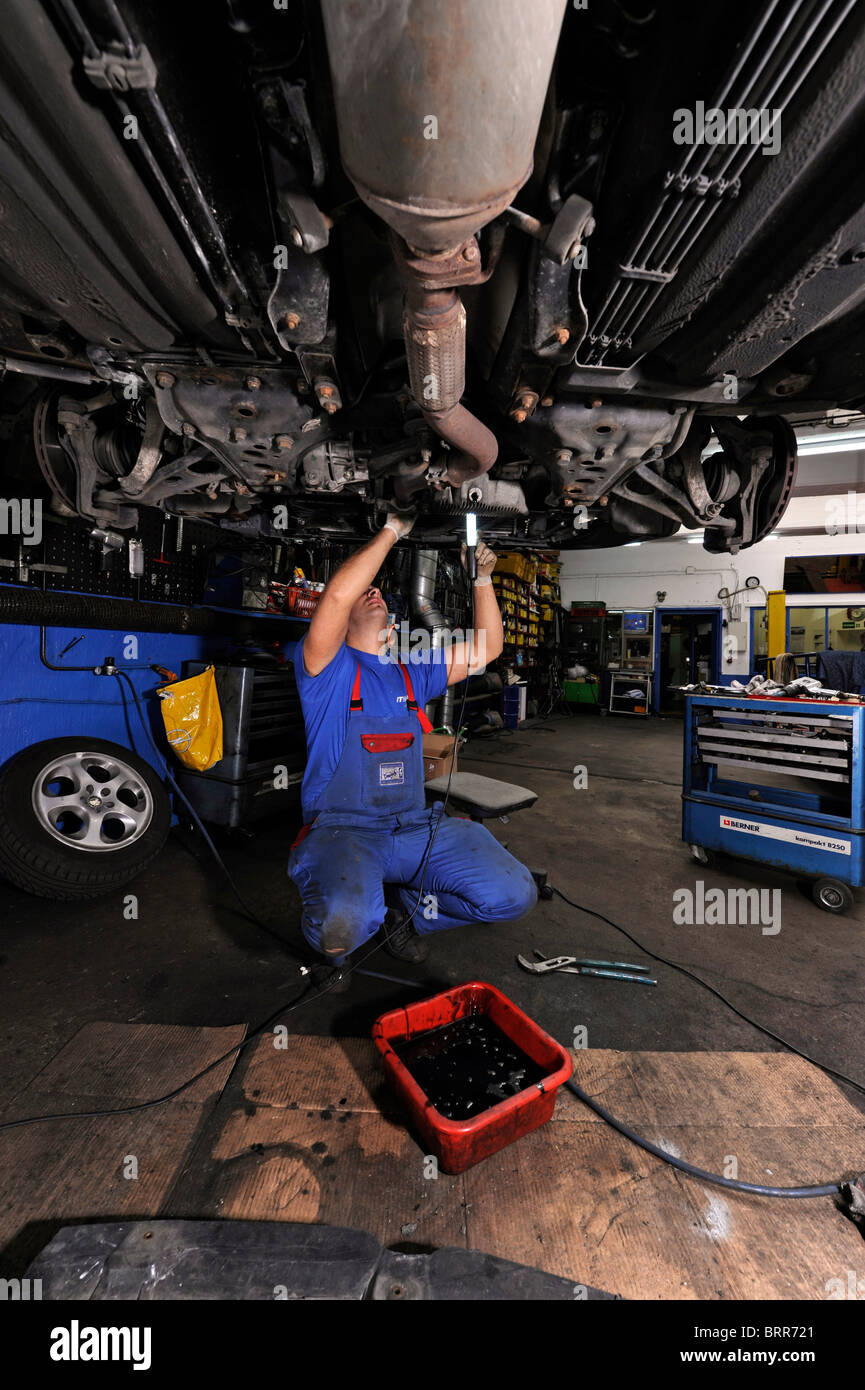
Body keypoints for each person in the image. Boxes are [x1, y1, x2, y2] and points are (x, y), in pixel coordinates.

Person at [289, 511, 537, 984]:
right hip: (345, 829)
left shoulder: (409, 670)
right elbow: (339, 593)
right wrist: (392, 529)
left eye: (380, 590)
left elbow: (486, 650)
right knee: (341, 928)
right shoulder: (325, 670)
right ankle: (346, 932)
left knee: (512, 896)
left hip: (416, 825)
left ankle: (402, 916)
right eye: (366, 591)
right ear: (341, 621)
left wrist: (483, 580)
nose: (374, 591)